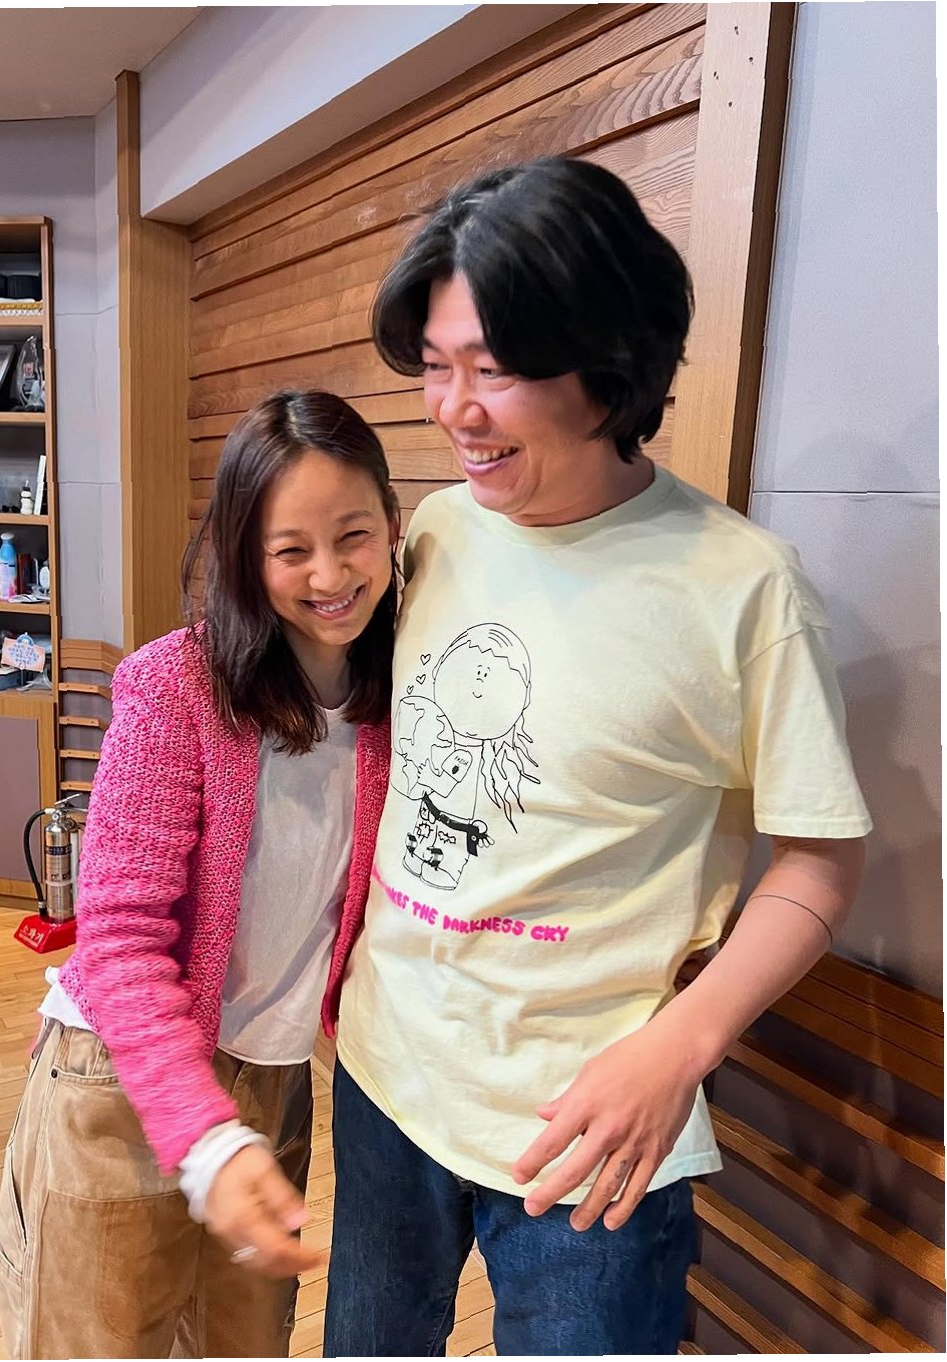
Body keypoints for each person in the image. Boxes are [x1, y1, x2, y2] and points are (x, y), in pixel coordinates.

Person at [323, 156, 872, 1357]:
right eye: (435, 367)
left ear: (608, 364)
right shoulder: (436, 529)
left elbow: (818, 859)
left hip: (592, 1130)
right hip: (386, 1066)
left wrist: (679, 1048)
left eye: (494, 370)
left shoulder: (742, 588)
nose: (453, 410)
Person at [0, 389, 399, 1359]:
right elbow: (120, 940)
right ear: (244, 557)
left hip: (273, 1081)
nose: (330, 574)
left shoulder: (401, 691)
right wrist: (204, 1135)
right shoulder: (173, 685)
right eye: (290, 550)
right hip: (123, 1079)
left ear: (392, 524)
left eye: (353, 535)